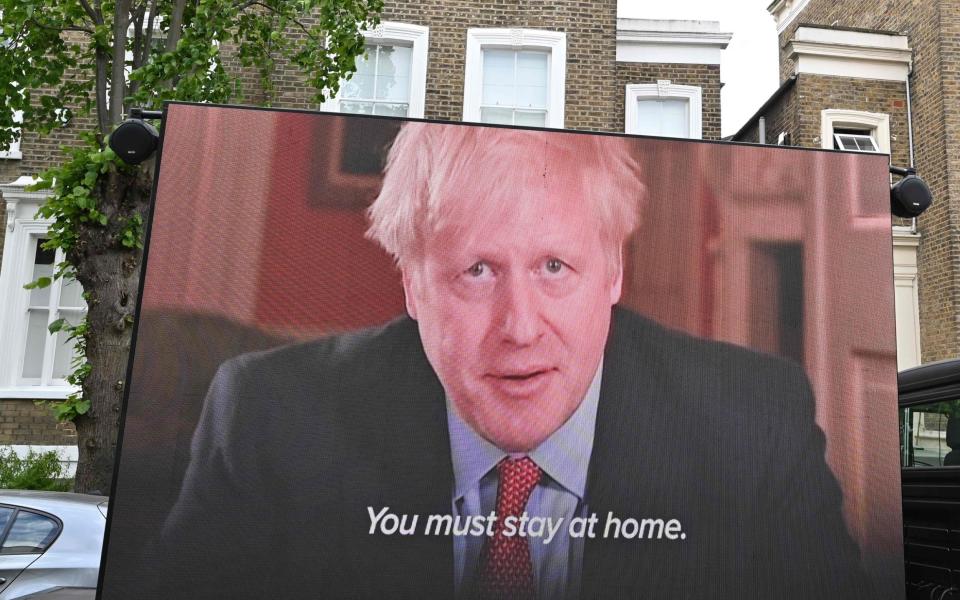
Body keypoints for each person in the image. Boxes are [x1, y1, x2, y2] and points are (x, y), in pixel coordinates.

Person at [152, 122, 874, 599]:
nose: (520, 328)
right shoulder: (272, 416)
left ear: (613, 272)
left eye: (556, 266)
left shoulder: (753, 420)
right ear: (411, 284)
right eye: (476, 272)